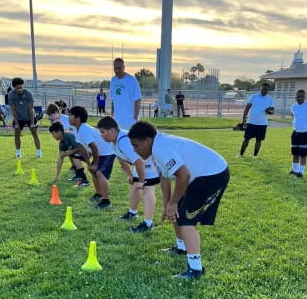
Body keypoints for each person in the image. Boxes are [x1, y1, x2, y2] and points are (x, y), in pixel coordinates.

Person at [128, 121, 229, 279]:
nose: (134, 150)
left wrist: (174, 202)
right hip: (201, 176)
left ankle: (196, 269)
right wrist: (168, 204)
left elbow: (183, 174)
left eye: (136, 145)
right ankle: (181, 247)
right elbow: (164, 177)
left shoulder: (160, 147)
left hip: (212, 174)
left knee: (186, 220)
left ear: (147, 140)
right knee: (177, 212)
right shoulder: (155, 148)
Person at [98, 116, 160, 233]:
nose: (101, 135)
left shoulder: (123, 141)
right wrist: (130, 175)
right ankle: (132, 213)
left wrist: (141, 182)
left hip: (150, 162)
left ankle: (148, 223)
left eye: (103, 132)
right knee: (134, 188)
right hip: (140, 164)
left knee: (148, 190)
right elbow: (121, 159)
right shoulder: (113, 142)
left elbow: (139, 161)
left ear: (112, 130)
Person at [69, 106, 115, 209]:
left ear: (78, 118)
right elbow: (82, 148)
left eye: (71, 115)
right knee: (93, 171)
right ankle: (98, 194)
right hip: (100, 153)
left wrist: (95, 164)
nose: (69, 118)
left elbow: (94, 147)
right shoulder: (77, 130)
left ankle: (106, 201)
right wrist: (89, 164)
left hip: (107, 152)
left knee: (99, 173)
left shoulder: (84, 129)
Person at [47, 103, 84, 182]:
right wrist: (57, 176)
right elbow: (61, 156)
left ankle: (80, 175)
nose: (51, 118)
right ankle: (75, 168)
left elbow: (75, 129)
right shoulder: (54, 123)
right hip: (68, 140)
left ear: (56, 113)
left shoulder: (67, 119)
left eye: (51, 116)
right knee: (68, 152)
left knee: (73, 153)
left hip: (78, 140)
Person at [237, 83, 275, 158]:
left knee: (258, 140)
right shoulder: (254, 97)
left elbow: (272, 111)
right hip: (251, 122)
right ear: (260, 88)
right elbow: (247, 108)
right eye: (263, 89)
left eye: (266, 89)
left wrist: (269, 112)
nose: (264, 91)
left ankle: (255, 156)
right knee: (246, 139)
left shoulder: (270, 99)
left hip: (262, 124)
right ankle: (241, 154)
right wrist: (244, 119)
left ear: (268, 90)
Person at [8, 77, 42, 158]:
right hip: (19, 117)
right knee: (17, 134)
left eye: (21, 87)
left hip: (30, 116)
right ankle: (18, 153)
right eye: (17, 88)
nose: (20, 89)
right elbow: (13, 110)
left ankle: (38, 152)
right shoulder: (11, 95)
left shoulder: (28, 94)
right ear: (14, 87)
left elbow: (31, 109)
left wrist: (32, 123)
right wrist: (16, 123)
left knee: (34, 133)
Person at [49, 122, 89, 186]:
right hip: (82, 151)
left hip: (88, 150)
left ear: (59, 132)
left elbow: (80, 147)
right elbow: (60, 157)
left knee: (74, 156)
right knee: (71, 154)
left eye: (53, 134)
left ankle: (84, 181)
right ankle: (78, 175)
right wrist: (57, 175)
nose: (53, 136)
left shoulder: (69, 136)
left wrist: (68, 153)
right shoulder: (62, 142)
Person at [110, 58, 142, 129]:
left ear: (124, 67)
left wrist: (135, 116)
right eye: (115, 68)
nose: (117, 70)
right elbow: (113, 99)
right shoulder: (113, 80)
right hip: (117, 122)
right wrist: (112, 113)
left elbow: (137, 99)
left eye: (119, 68)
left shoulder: (131, 80)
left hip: (130, 122)